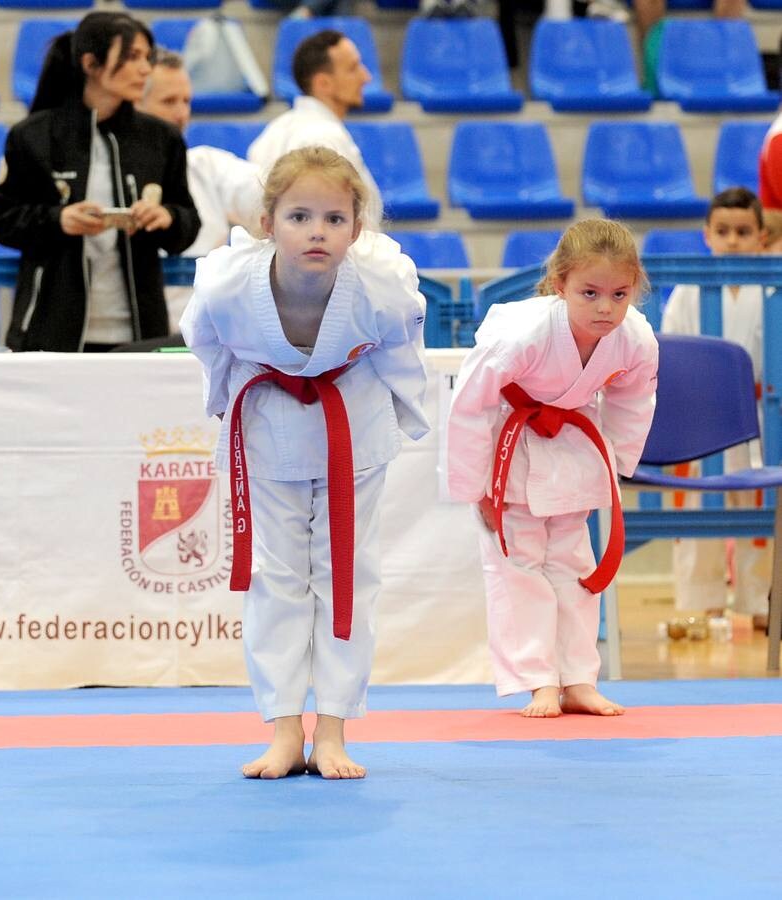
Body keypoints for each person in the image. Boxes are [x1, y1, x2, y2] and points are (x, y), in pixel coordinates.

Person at [181, 146, 428, 779]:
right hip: (270, 426)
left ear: (357, 227)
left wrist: (408, 411)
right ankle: (285, 729)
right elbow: (206, 344)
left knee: (347, 575)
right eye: (298, 216)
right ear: (267, 222)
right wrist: (224, 402)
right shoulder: (225, 281)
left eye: (334, 218)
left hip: (355, 422)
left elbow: (401, 346)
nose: (316, 231)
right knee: (278, 578)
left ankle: (336, 730)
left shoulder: (384, 282)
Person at [447, 219, 658, 718]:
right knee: (518, 565)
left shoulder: (635, 338)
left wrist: (620, 463)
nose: (605, 308)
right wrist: (477, 487)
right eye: (590, 293)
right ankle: (538, 681)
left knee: (575, 567)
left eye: (619, 294)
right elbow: (471, 404)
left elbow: (633, 399)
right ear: (560, 285)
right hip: (511, 440)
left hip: (572, 442)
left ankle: (579, 679)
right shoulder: (520, 334)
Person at [0, 11, 200, 352]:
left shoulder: (162, 139)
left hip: (140, 329)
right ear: (91, 64)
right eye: (132, 56)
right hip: (49, 328)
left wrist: (166, 218)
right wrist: (59, 220)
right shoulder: (33, 135)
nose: (145, 69)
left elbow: (188, 222)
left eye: (147, 57)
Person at [659, 188, 770, 630]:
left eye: (743, 232)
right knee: (695, 510)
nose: (733, 241)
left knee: (760, 509)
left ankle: (762, 600)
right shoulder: (688, 289)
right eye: (723, 231)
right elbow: (669, 352)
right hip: (699, 417)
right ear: (706, 234)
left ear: (762, 236)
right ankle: (698, 603)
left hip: (763, 416)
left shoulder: (773, 287)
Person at [136, 49, 263, 329]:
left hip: (206, 337)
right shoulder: (111, 178)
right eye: (169, 101)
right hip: (138, 336)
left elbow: (269, 194)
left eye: (186, 101)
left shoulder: (206, 166)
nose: (182, 114)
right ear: (134, 106)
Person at [247, 30, 383, 230]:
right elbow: (331, 228)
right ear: (323, 83)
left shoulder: (273, 131)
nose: (366, 77)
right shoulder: (324, 137)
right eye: (353, 68)